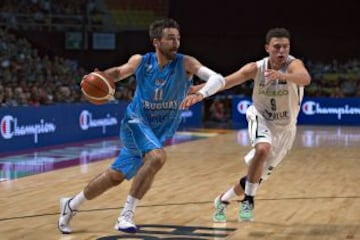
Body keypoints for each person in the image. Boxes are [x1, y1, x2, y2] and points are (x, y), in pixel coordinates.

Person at [57, 18, 225, 234]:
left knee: (114, 177)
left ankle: (71, 205)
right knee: (157, 157)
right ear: (156, 41)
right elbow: (118, 72)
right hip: (135, 123)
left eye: (178, 38)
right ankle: (125, 215)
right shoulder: (141, 61)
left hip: (157, 131)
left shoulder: (186, 63)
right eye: (170, 38)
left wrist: (201, 93)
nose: (176, 43)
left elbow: (217, 79)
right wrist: (102, 77)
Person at [181, 27, 311, 222]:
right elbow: (227, 81)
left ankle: (222, 200)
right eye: (277, 47)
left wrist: (283, 76)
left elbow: (305, 79)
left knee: (255, 177)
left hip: (286, 129)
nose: (281, 51)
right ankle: (248, 200)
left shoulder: (294, 65)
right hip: (261, 117)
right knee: (262, 149)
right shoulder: (255, 68)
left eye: (285, 47)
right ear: (267, 48)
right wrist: (200, 90)